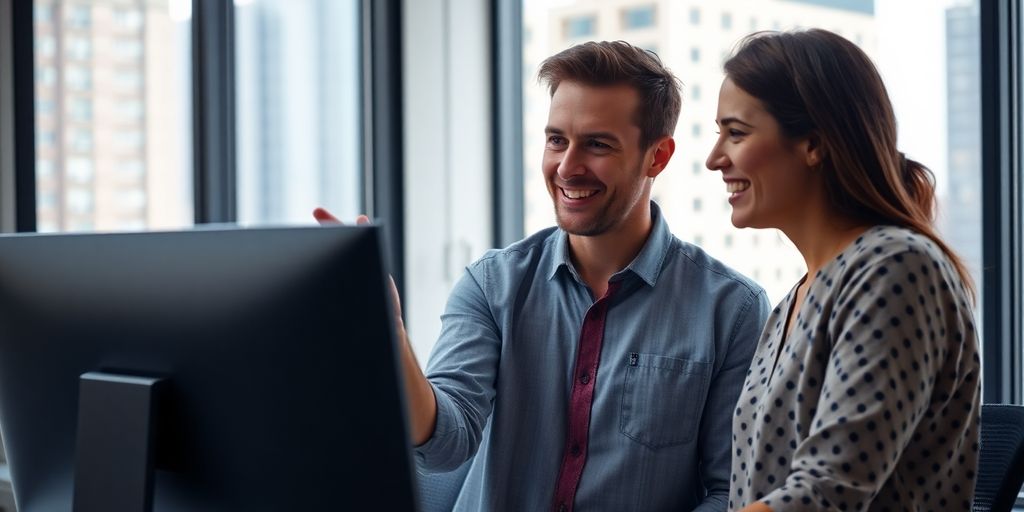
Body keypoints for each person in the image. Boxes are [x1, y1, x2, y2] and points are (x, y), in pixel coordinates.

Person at [318, 41, 770, 511]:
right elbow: (444, 445)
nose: (567, 167)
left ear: (657, 157)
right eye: (557, 140)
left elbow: (731, 493)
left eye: (596, 144)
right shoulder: (491, 286)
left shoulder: (731, 309)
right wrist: (390, 336)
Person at [704, 29, 981, 512]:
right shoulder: (793, 300)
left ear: (813, 143)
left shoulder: (896, 269)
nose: (714, 159)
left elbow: (830, 491)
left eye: (737, 133)